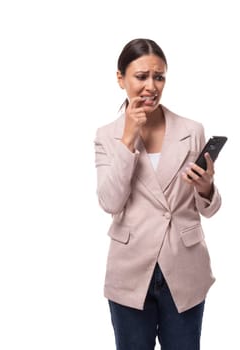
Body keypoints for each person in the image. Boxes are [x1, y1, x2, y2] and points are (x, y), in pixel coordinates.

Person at [94, 38, 222, 350]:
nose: (151, 86)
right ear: (120, 78)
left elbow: (209, 208)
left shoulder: (192, 130)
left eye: (159, 76)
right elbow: (110, 202)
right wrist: (128, 139)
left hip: (184, 266)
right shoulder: (106, 136)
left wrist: (206, 186)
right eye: (141, 77)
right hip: (131, 268)